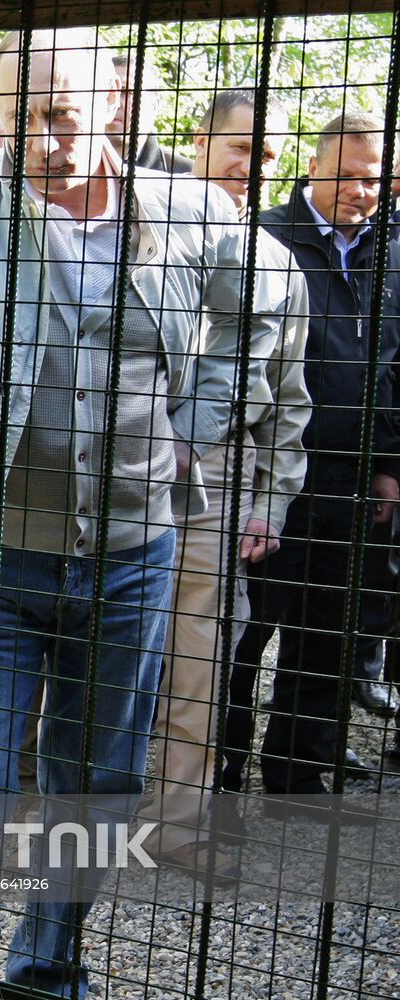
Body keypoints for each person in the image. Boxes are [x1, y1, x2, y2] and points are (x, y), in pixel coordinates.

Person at [0, 28, 276, 995]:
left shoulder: (193, 212)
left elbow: (269, 307)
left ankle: (45, 970)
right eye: (17, 113)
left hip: (133, 552)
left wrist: (201, 412)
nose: (40, 136)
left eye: (61, 111)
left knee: (96, 782)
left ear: (116, 101)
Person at [141, 90, 310, 880]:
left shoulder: (280, 263)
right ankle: (50, 806)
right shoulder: (134, 230)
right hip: (114, 461)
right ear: (200, 140)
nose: (254, 165)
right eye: (241, 146)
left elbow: (288, 396)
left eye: (269, 154)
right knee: (81, 629)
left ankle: (172, 824)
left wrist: (269, 499)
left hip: (220, 473)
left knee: (200, 653)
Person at [225, 111, 400, 819]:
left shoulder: (390, 249)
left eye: (377, 182)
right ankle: (217, 774)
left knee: (329, 630)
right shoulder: (265, 238)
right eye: (353, 177)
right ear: (315, 165)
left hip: (354, 476)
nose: (365, 193)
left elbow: (392, 365)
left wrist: (389, 463)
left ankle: (295, 781)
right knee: (243, 632)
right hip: (274, 469)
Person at [108, 54, 193, 174]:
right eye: (106, 90)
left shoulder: (185, 175)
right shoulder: (74, 169)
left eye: (127, 92)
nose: (113, 101)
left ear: (154, 105)